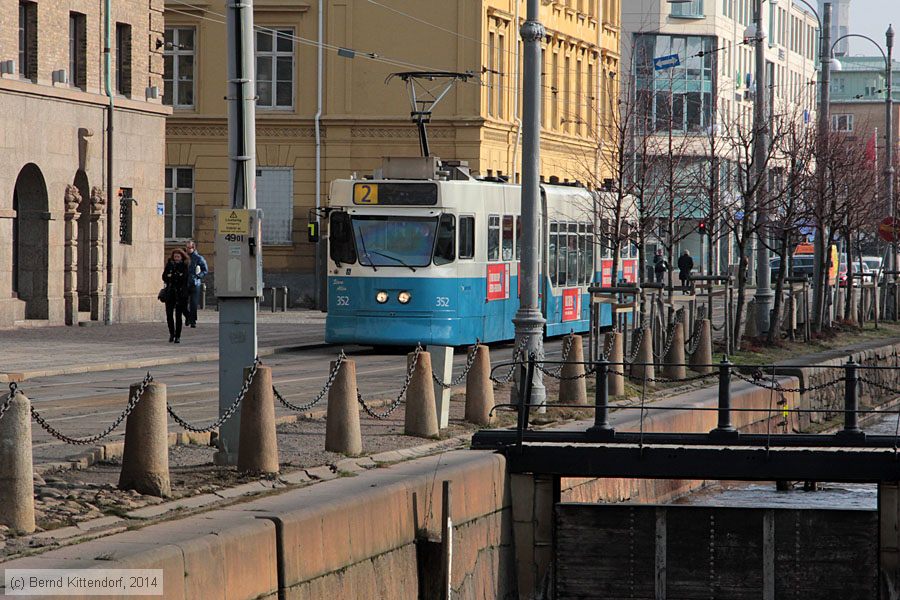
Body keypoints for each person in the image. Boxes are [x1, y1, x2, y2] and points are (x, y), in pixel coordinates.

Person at [162, 249, 191, 343]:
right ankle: (172, 333)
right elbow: (164, 276)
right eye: (175, 257)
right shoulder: (169, 265)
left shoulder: (184, 266)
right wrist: (172, 277)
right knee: (169, 314)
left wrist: (175, 277)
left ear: (181, 257)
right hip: (170, 292)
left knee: (178, 316)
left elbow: (184, 278)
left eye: (178, 257)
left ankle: (178, 336)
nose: (176, 258)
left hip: (180, 293)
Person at [185, 240, 208, 328]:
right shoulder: (184, 257)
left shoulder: (198, 258)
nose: (187, 250)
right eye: (186, 248)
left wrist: (198, 276)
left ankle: (193, 320)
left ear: (193, 248)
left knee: (193, 303)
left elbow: (205, 270)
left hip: (195, 283)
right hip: (184, 282)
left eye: (189, 248)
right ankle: (188, 316)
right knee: (183, 302)